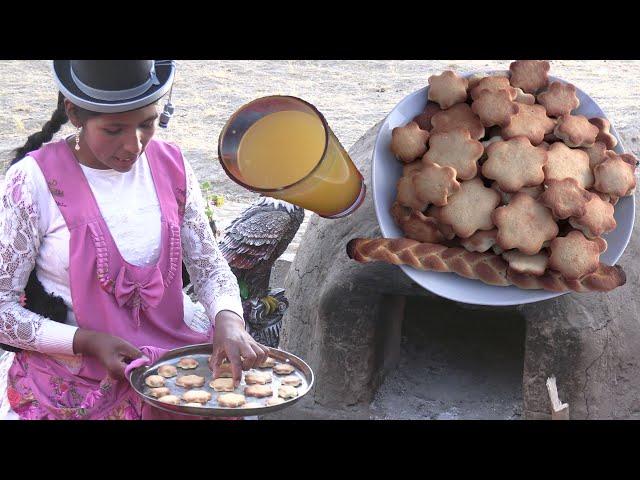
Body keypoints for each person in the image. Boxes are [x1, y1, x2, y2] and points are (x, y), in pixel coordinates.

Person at [0, 60, 268, 419]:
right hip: (79, 372)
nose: (134, 144)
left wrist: (229, 317)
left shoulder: (172, 165)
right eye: (113, 130)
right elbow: (2, 308)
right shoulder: (33, 182)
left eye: (147, 123)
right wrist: (87, 341)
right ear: (74, 114)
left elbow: (208, 266)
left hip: (174, 356)